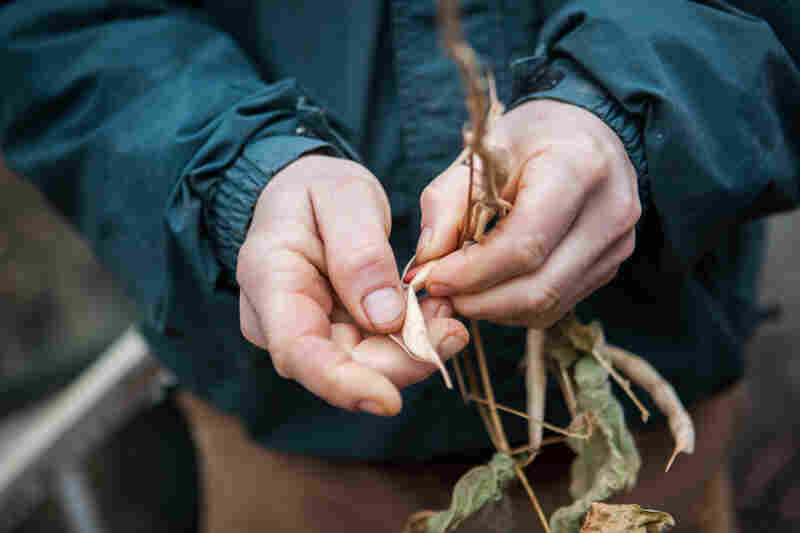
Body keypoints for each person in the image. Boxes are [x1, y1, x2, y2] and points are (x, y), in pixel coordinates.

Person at [1, 1, 798, 531]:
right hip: (294, 463)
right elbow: (55, 21)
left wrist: (630, 108)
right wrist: (241, 173)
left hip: (658, 448)